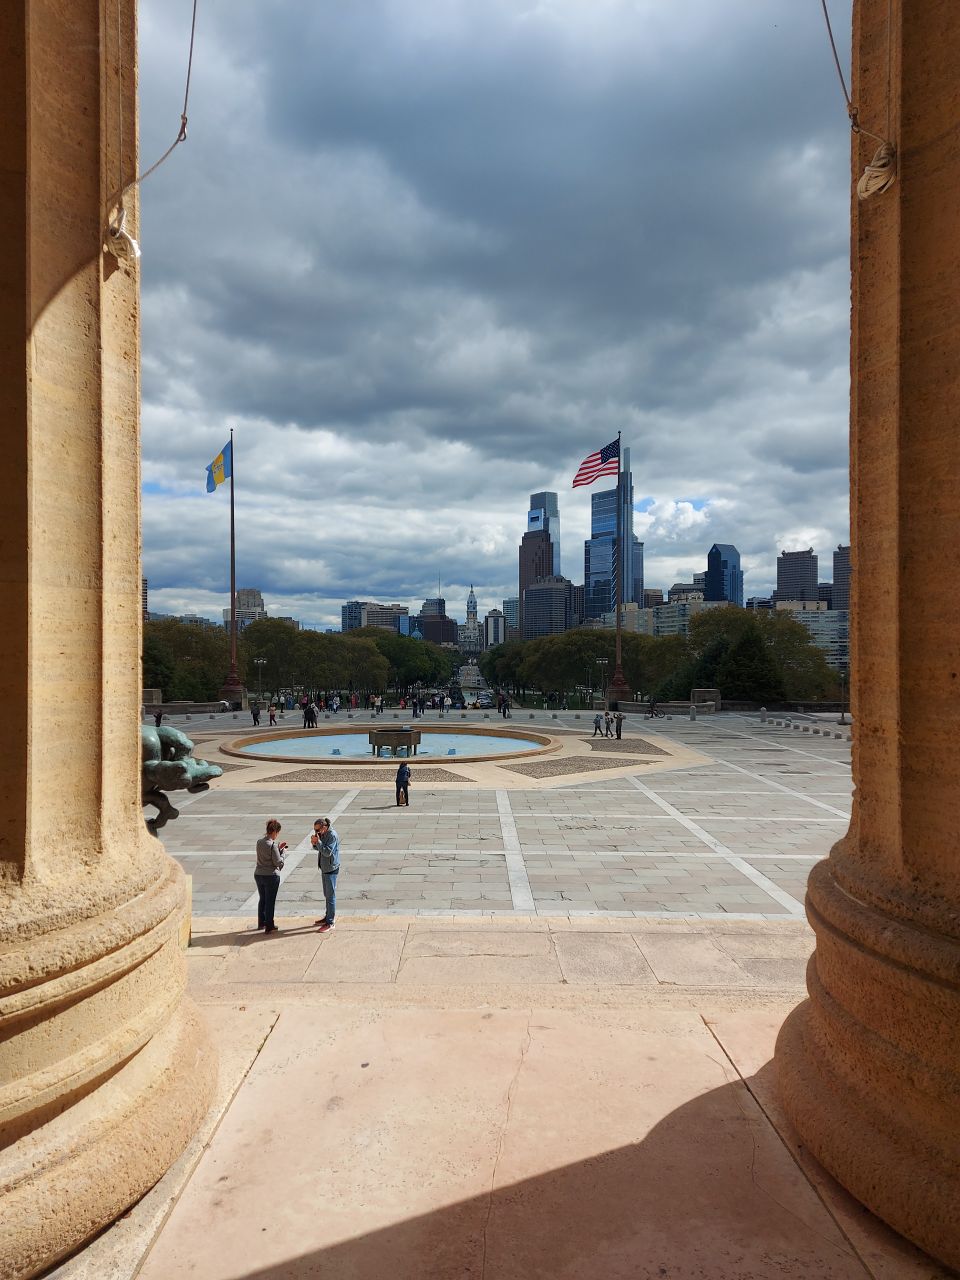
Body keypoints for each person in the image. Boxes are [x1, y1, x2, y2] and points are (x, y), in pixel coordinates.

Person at [254, 820, 286, 934]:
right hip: (270, 876)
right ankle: (269, 925)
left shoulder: (259, 842)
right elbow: (278, 863)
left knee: (262, 899)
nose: (277, 835)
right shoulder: (272, 845)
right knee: (270, 901)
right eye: (277, 832)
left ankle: (261, 922)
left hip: (259, 874)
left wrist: (278, 849)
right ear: (274, 832)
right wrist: (283, 853)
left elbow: (265, 855)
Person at [311, 817, 340, 932]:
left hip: (331, 868)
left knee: (330, 896)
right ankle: (327, 916)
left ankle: (330, 922)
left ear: (324, 827)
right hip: (324, 867)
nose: (316, 832)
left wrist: (318, 842)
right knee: (326, 895)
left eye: (317, 830)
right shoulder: (322, 833)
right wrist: (315, 843)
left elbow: (327, 852)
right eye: (315, 830)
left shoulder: (332, 835)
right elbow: (319, 848)